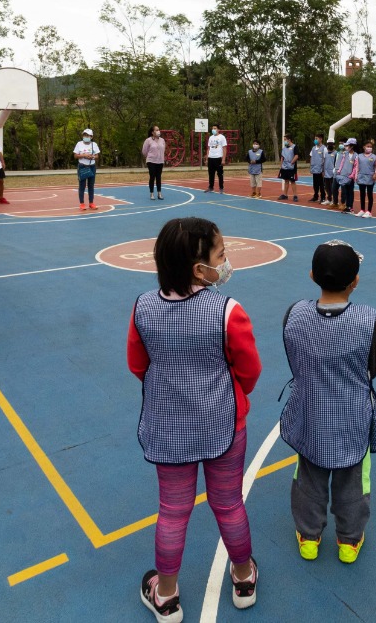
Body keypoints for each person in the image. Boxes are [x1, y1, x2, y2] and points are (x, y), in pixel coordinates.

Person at [128, 217, 262, 619]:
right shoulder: (228, 311)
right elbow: (249, 370)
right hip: (224, 423)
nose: (226, 261)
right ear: (197, 268)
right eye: (220, 255)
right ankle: (243, 577)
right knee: (228, 503)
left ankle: (165, 595)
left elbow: (138, 364)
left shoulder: (144, 306)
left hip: (168, 426)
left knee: (172, 510)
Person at [281, 240, 376, 564]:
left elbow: (293, 357)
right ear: (355, 281)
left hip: (310, 413)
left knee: (309, 479)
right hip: (352, 416)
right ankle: (349, 541)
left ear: (312, 275)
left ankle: (309, 537)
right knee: (353, 482)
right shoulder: (367, 319)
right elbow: (375, 364)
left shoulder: (295, 314)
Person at [74, 128, 100, 211]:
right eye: (84, 135)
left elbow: (97, 156)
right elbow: (75, 155)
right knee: (82, 185)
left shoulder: (94, 144)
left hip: (91, 166)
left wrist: (92, 156)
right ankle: (82, 204)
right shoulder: (79, 144)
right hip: (82, 166)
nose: (86, 136)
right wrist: (84, 155)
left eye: (88, 135)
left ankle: (91, 203)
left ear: (91, 136)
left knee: (91, 185)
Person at [142, 125, 167, 201]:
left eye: (158, 130)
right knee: (152, 176)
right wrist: (150, 157)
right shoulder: (148, 140)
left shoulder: (162, 140)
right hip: (151, 161)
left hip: (160, 161)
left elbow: (164, 149)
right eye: (156, 130)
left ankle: (159, 193)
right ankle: (152, 193)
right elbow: (144, 151)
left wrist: (160, 157)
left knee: (159, 177)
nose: (158, 131)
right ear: (152, 132)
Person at [355, 140, 376, 217]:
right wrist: (356, 176)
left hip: (370, 177)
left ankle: (369, 211)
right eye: (368, 146)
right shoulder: (359, 156)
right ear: (364, 147)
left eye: (370, 147)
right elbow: (357, 167)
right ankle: (362, 209)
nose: (369, 148)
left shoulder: (374, 157)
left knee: (369, 194)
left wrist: (375, 173)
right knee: (362, 194)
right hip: (361, 177)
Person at [335, 138, 358, 214]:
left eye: (348, 145)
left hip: (350, 177)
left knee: (350, 192)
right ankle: (347, 206)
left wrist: (352, 175)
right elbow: (342, 163)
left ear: (352, 146)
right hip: (343, 175)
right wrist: (339, 171)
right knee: (346, 191)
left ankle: (350, 207)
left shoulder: (356, 156)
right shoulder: (345, 154)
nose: (346, 147)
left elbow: (355, 167)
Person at [206, 125, 227, 193]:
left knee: (220, 174)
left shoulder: (222, 137)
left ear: (218, 129)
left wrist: (223, 159)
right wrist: (207, 158)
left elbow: (224, 148)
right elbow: (208, 148)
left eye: (215, 128)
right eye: (212, 128)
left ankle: (221, 188)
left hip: (218, 158)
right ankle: (211, 187)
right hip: (211, 158)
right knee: (211, 173)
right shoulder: (210, 137)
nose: (213, 130)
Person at [279, 134, 298, 201]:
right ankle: (285, 195)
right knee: (286, 180)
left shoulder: (294, 147)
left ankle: (295, 195)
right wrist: (281, 165)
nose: (284, 141)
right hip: (284, 167)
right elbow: (282, 157)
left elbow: (296, 156)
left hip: (291, 168)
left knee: (292, 181)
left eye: (285, 140)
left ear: (289, 140)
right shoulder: (284, 148)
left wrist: (292, 162)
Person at [309, 135, 327, 204]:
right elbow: (311, 157)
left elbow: (325, 159)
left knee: (321, 184)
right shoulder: (313, 148)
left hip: (320, 169)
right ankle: (315, 196)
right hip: (314, 169)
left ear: (321, 139)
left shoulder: (324, 148)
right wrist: (311, 166)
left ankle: (323, 197)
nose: (315, 140)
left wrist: (323, 170)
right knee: (315, 184)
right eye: (315, 138)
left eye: (316, 138)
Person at [321, 141, 337, 206]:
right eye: (328, 145)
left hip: (332, 174)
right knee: (327, 187)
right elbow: (324, 162)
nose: (329, 146)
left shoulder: (336, 153)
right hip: (326, 173)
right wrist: (323, 171)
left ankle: (334, 200)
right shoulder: (326, 154)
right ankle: (329, 199)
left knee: (333, 187)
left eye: (331, 145)